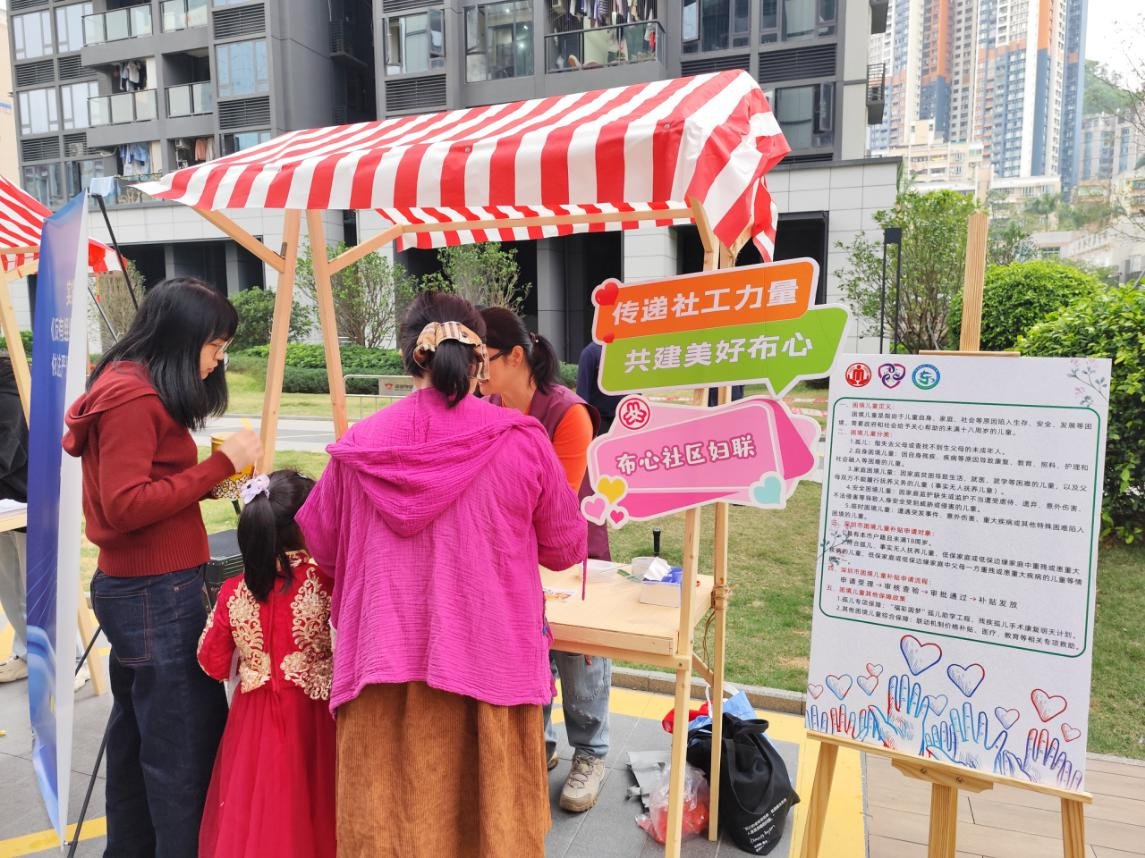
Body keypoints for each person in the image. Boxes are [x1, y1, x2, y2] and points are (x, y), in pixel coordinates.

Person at [296, 292, 586, 857]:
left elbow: (322, 544)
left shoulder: (359, 446)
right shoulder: (521, 441)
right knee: (495, 836)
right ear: (478, 358)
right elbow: (565, 547)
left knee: (389, 836)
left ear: (410, 356)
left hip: (380, 670)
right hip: (493, 671)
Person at [63, 278, 262, 858]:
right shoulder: (133, 396)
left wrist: (210, 481)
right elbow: (125, 506)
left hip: (144, 587)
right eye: (214, 347)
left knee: (138, 740)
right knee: (183, 748)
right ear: (180, 338)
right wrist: (219, 465)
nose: (217, 360)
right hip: (155, 591)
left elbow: (144, 489)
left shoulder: (125, 381)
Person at [481, 308, 612, 814]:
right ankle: (540, 743)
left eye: (483, 359)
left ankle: (591, 754)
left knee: (579, 656)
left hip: (570, 556)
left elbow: (552, 503)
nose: (475, 371)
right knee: (529, 653)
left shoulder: (567, 413)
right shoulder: (487, 406)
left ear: (516, 357)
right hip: (513, 555)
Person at [197, 470, 335, 858]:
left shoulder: (233, 592)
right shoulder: (327, 582)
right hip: (316, 718)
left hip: (253, 725)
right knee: (321, 810)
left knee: (260, 818)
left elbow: (211, 661)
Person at [0, 352, 28, 683]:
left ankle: (69, 657)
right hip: (6, 506)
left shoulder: (10, 390)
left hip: (28, 500)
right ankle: (26, 653)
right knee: (9, 587)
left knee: (38, 587)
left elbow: (5, 455)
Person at [575, 341, 622, 435]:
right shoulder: (591, 352)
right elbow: (582, 391)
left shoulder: (629, 349)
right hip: (602, 419)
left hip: (629, 415)